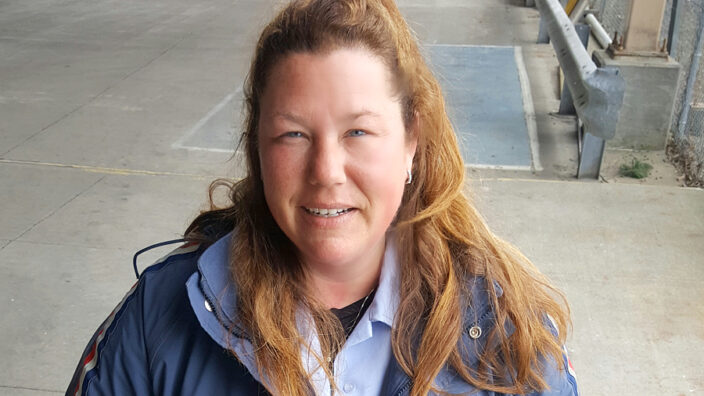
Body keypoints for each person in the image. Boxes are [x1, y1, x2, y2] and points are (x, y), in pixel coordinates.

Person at [67, 0, 578, 395]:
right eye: (293, 135)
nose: (326, 172)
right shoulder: (157, 318)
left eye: (358, 132)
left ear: (411, 143)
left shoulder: (506, 336)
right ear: (257, 148)